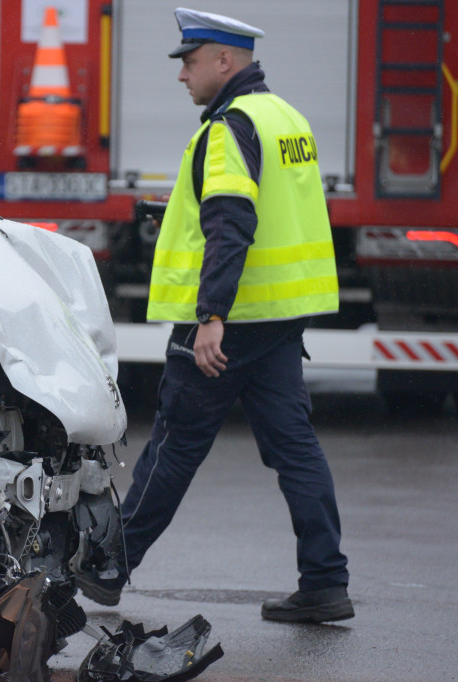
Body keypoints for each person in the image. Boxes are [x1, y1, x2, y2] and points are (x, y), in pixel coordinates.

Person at [78, 7, 353, 623]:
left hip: (231, 324)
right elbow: (269, 209)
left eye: (190, 62)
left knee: (175, 445)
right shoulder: (286, 118)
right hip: (280, 320)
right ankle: (326, 581)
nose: (183, 75)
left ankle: (108, 568)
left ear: (224, 61)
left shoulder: (230, 126)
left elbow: (232, 223)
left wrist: (210, 315)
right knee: (296, 448)